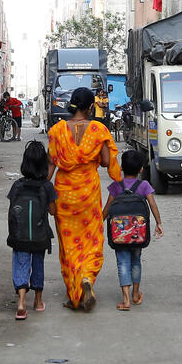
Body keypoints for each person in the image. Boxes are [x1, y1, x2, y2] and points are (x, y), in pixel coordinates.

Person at [47, 86, 121, 311]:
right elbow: (107, 162)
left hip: (64, 193)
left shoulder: (57, 130)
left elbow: (50, 165)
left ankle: (74, 294)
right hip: (88, 192)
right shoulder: (98, 129)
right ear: (90, 107)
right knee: (90, 240)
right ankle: (87, 278)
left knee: (69, 244)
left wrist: (41, 191)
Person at [104, 149, 162, 311]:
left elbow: (108, 208)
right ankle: (136, 294)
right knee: (136, 261)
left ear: (121, 168)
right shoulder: (144, 185)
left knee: (122, 262)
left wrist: (97, 224)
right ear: (141, 169)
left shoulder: (116, 186)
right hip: (138, 234)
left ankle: (126, 299)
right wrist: (159, 223)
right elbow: (152, 205)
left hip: (119, 235)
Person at [6, 141, 57, 320]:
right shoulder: (47, 187)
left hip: (19, 236)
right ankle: (37, 301)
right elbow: (52, 211)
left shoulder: (17, 185)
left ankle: (21, 302)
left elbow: (13, 209)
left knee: (21, 263)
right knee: (38, 264)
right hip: (39, 235)